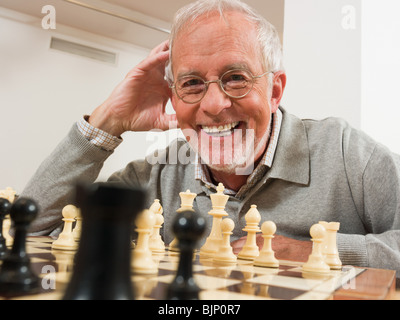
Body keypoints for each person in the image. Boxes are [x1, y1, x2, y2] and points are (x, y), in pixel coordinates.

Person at [21, 0, 400, 280]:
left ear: (275, 90)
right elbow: (28, 230)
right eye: (192, 84)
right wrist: (107, 122)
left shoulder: (346, 152)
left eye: (236, 77)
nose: (215, 104)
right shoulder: (153, 176)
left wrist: (323, 249)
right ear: (174, 97)